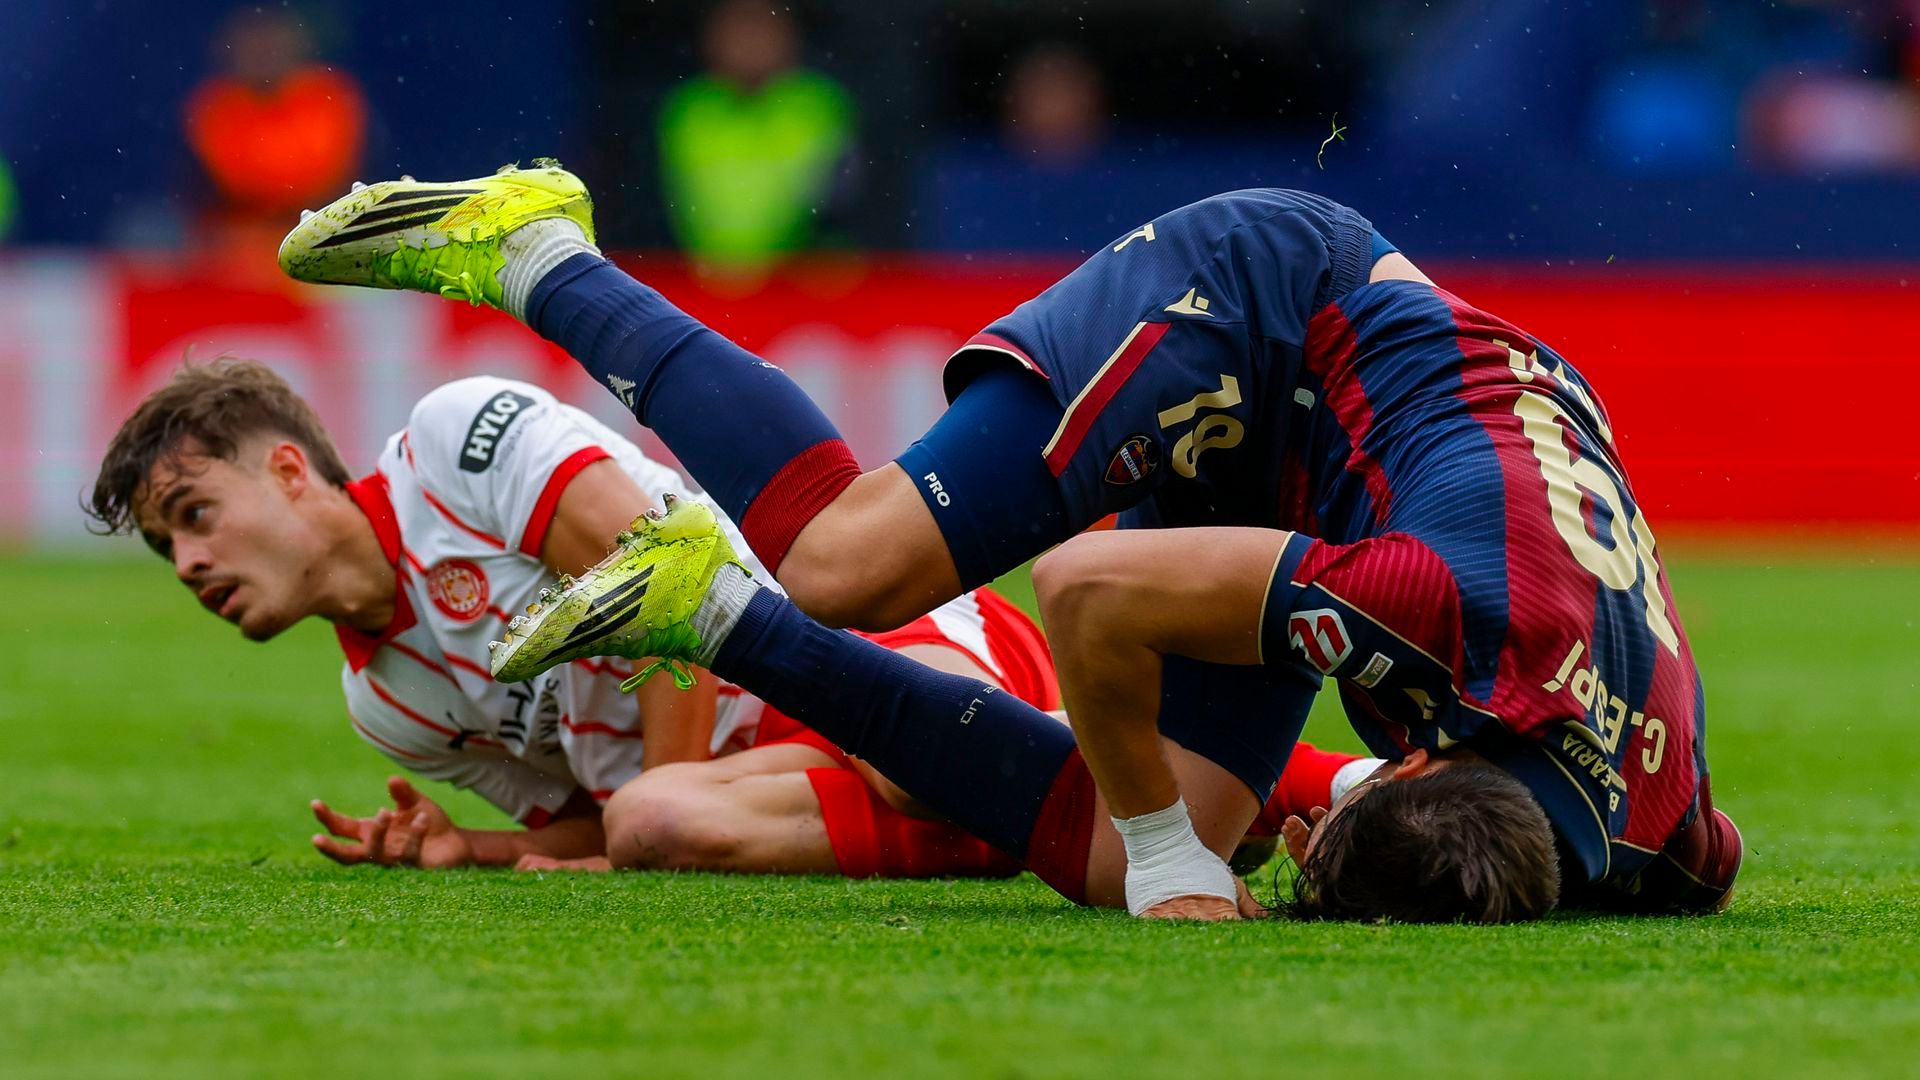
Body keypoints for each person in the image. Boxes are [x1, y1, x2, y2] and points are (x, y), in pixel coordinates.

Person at [275, 164, 1740, 921]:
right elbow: (1084, 586)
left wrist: (1153, 855)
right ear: (1411, 758)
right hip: (1270, 310)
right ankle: (543, 250)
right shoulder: (1426, 614)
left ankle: (709, 617)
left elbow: (1713, 864)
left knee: (1113, 863)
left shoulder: (1654, 835)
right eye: (1335, 824)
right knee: (853, 564)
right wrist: (1183, 849)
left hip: (1364, 467)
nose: (1298, 850)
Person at [85, 360, 1373, 883]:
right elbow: (598, 815)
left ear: (290, 471)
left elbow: (675, 590)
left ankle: (1323, 781)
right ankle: (1300, 806)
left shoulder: (450, 445)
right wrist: (469, 854)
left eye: (193, 511)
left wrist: (653, 816)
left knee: (719, 794)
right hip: (762, 778)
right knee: (658, 816)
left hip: (885, 654)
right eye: (164, 545)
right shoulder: (387, 704)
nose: (187, 559)